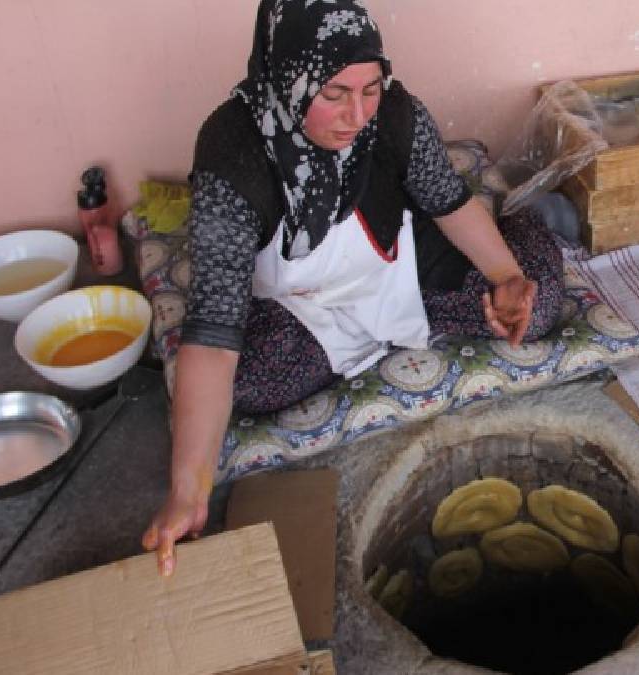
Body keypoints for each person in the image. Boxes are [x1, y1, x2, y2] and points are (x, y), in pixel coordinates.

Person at [142, 0, 563, 575]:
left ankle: (515, 242)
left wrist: (506, 278)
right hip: (300, 302)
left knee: (534, 307)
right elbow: (214, 335)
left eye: (371, 88)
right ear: (287, 77)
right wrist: (188, 491)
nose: (356, 114)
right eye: (334, 94)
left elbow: (449, 202)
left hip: (397, 266)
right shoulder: (231, 153)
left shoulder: (394, 116)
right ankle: (372, 340)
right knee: (244, 380)